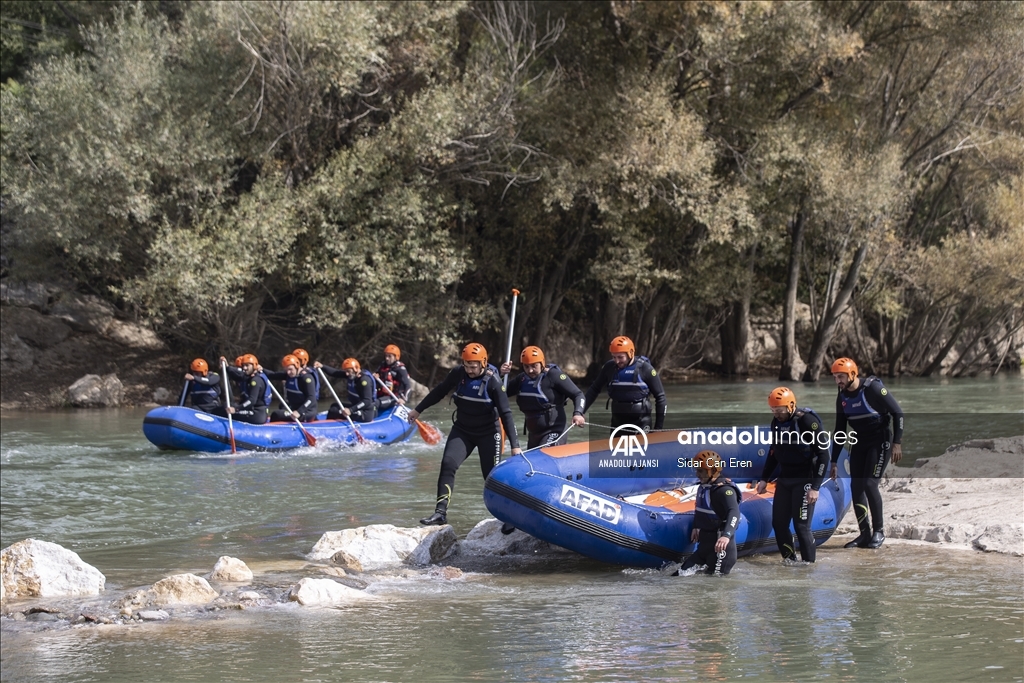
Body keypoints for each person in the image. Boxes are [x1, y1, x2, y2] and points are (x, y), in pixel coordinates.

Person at [407, 343, 522, 526]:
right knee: (448, 464)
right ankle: (440, 513)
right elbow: (439, 391)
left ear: (483, 363)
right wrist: (418, 410)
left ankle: (508, 515)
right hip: (463, 429)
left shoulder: (493, 381)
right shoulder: (458, 373)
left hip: (489, 433)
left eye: (473, 366)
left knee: (492, 476)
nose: (469, 370)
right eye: (466, 365)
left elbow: (506, 414)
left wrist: (515, 446)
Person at [829, 357, 904, 549]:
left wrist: (897, 443)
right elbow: (839, 430)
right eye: (835, 377)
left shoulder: (873, 388)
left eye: (841, 376)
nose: (838, 381)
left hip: (880, 440)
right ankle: (864, 534)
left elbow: (898, 412)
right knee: (856, 487)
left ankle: (879, 531)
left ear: (853, 374)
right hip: (859, 442)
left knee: (870, 484)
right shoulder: (842, 398)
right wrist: (834, 461)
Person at [754, 387, 829, 563]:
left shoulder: (807, 422)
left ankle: (808, 567)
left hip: (805, 479)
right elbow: (774, 452)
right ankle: (790, 562)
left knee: (801, 526)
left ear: (791, 406)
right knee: (779, 525)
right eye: (772, 410)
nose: (776, 414)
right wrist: (764, 478)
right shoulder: (776, 422)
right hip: (785, 479)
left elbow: (823, 455)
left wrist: (815, 487)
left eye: (779, 411)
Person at [499, 345, 586, 449]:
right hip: (534, 435)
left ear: (542, 363)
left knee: (543, 458)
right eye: (526, 366)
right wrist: (502, 375)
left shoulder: (553, 376)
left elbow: (578, 394)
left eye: (534, 366)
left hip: (554, 432)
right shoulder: (521, 379)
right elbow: (500, 393)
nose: (530, 370)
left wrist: (578, 413)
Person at [582, 336, 667, 431]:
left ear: (630, 353)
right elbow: (594, 389)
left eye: (620, 357)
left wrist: (658, 428)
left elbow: (661, 397)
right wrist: (580, 412)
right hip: (617, 423)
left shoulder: (645, 368)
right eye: (614, 357)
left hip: (641, 423)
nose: (617, 361)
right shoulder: (609, 368)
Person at [678, 450, 740, 576]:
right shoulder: (704, 487)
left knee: (713, 589)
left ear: (713, 470)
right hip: (704, 547)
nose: (697, 474)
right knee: (677, 576)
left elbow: (734, 513)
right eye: (696, 470)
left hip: (721, 550)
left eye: (700, 471)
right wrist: (696, 525)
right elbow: (701, 509)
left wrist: (726, 535)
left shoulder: (725, 491)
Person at [316, 358, 377, 423]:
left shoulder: (364, 381)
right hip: (356, 407)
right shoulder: (352, 375)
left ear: (355, 369)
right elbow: (335, 373)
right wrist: (322, 366)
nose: (347, 374)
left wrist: (350, 410)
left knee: (334, 410)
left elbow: (367, 401)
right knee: (334, 406)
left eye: (348, 371)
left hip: (365, 412)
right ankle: (329, 424)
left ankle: (329, 428)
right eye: (345, 371)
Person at [216, 353, 271, 425]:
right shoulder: (249, 377)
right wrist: (227, 367)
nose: (244, 368)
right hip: (253, 411)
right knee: (225, 406)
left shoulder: (256, 381)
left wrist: (236, 409)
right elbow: (237, 375)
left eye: (247, 365)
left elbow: (251, 401)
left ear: (254, 366)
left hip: (257, 414)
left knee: (224, 412)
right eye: (243, 366)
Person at [265, 354, 318, 422]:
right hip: (294, 409)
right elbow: (273, 375)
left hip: (306, 412)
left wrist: (299, 412)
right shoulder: (289, 375)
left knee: (276, 414)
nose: (288, 372)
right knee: (282, 406)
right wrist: (261, 369)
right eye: (286, 370)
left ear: (297, 366)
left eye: (290, 369)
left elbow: (311, 398)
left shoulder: (306, 378)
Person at [376, 344, 412, 410]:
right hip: (382, 395)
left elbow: (408, 386)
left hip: (394, 397)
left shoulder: (400, 369)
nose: (387, 358)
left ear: (396, 357)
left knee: (375, 403)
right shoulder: (382, 365)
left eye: (389, 356)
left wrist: (404, 399)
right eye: (386, 356)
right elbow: (376, 377)